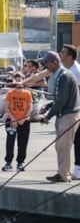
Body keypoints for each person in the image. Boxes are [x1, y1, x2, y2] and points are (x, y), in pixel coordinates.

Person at [38, 51, 80, 183]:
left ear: (55, 62)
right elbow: (60, 98)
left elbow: (62, 100)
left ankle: (63, 175)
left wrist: (48, 116)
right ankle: (62, 172)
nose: (45, 65)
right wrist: (49, 106)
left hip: (68, 115)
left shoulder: (64, 76)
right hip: (65, 115)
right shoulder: (61, 74)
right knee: (61, 146)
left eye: (47, 63)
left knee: (64, 146)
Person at [1, 72, 32, 172]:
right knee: (10, 142)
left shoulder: (27, 93)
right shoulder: (10, 93)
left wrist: (23, 118)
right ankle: (8, 162)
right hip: (12, 121)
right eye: (16, 80)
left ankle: (20, 162)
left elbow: (30, 107)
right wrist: (13, 119)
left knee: (22, 143)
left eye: (20, 80)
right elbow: (6, 107)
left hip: (24, 121)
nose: (18, 82)